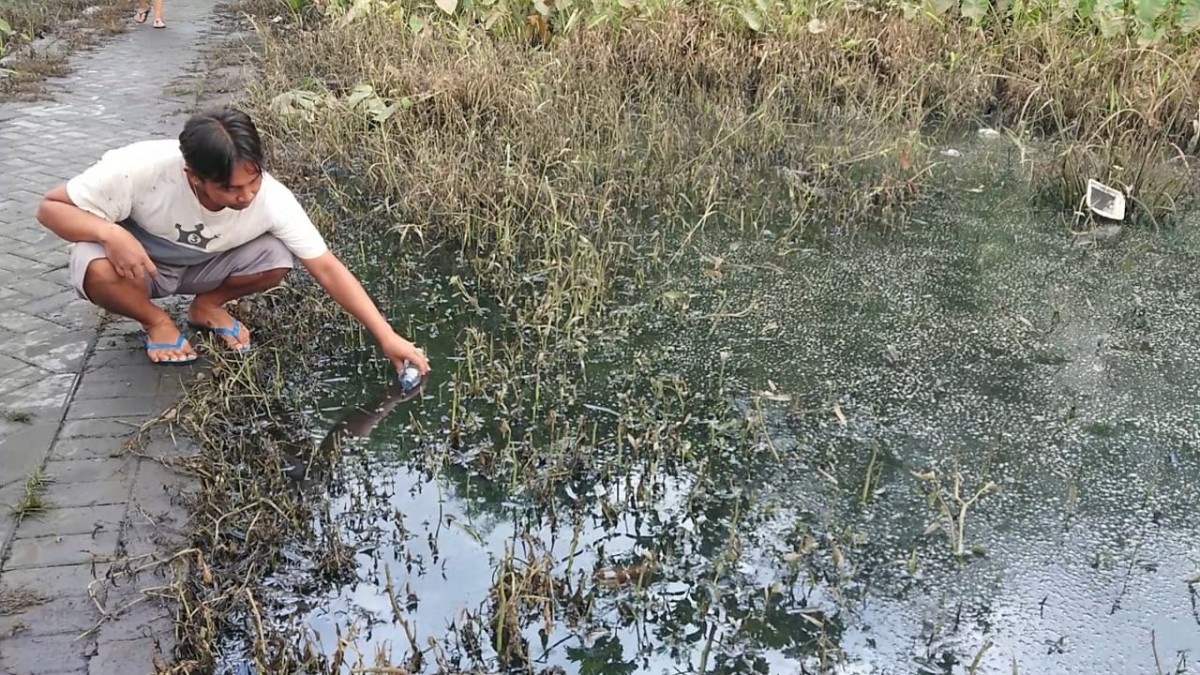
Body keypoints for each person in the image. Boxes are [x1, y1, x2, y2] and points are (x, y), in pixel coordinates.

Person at [34, 105, 431, 377]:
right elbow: (49, 208)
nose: (245, 196)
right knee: (95, 264)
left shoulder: (272, 198)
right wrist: (110, 232)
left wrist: (386, 335)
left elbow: (327, 268)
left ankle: (205, 306)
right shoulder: (137, 168)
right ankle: (155, 320)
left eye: (253, 180)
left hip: (204, 267)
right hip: (138, 268)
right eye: (229, 188)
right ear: (193, 176)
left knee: (277, 256)